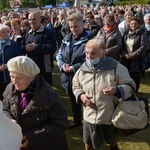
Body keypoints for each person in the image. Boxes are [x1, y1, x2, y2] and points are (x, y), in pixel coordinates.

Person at [72, 38, 136, 150]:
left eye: (93, 53)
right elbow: (75, 85)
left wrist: (117, 90)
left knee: (111, 139)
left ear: (103, 52)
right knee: (89, 142)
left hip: (110, 115)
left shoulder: (116, 67)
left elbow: (131, 86)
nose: (88, 56)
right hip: (89, 115)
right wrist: (81, 95)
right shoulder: (83, 69)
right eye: (87, 53)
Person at [2, 56, 69, 150]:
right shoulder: (10, 88)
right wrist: (10, 119)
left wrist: (32, 137)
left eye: (18, 78)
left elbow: (60, 123)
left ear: (31, 77)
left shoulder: (49, 94)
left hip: (46, 145)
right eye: (11, 77)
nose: (14, 82)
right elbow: (4, 108)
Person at [56, 11, 93, 129]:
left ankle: (90, 124)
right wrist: (62, 65)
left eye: (75, 26)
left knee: (86, 100)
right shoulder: (66, 38)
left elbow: (91, 58)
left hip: (84, 75)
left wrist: (74, 67)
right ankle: (77, 120)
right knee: (73, 98)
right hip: (68, 76)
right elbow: (59, 54)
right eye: (71, 26)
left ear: (83, 25)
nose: (73, 29)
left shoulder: (90, 39)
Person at [21, 11, 57, 85]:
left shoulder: (48, 32)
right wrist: (25, 48)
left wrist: (36, 47)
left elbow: (52, 48)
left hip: (44, 70)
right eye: (30, 19)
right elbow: (21, 47)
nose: (32, 21)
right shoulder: (27, 33)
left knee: (44, 92)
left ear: (40, 19)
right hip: (30, 69)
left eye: (34, 19)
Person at [121, 16, 147, 92]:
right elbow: (122, 45)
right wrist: (124, 54)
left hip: (136, 60)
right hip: (125, 59)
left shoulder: (141, 33)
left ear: (139, 25)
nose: (133, 25)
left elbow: (143, 47)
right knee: (126, 76)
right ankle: (127, 91)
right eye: (132, 24)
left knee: (135, 77)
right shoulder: (126, 33)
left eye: (135, 24)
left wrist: (131, 55)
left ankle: (135, 92)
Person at [0, 24, 21, 101]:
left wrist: (8, 65)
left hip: (11, 76)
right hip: (0, 77)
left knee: (12, 98)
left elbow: (18, 58)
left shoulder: (14, 44)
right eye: (3, 32)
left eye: (7, 32)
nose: (6, 34)